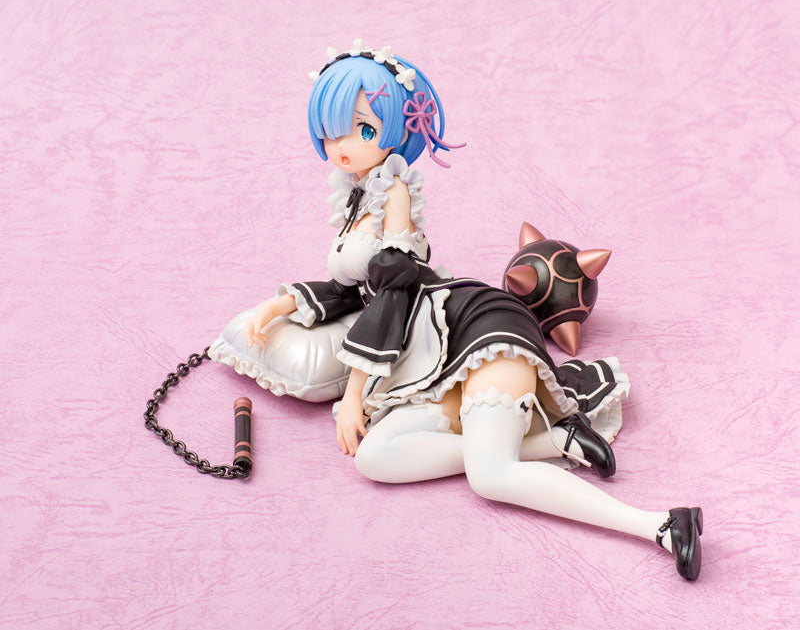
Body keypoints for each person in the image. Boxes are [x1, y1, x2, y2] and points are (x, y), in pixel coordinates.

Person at [245, 40, 703, 580]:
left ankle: (661, 524)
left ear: (394, 132)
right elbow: (357, 286)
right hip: (440, 363)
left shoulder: (394, 196)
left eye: (363, 130)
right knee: (375, 459)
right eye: (332, 130)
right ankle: (552, 441)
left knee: (491, 476)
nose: (342, 144)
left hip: (481, 333)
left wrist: (351, 398)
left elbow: (391, 292)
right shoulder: (359, 198)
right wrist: (285, 302)